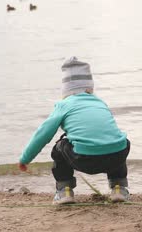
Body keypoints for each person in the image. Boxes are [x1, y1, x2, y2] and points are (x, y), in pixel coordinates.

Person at [18, 56, 131, 205]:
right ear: (90, 88)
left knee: (60, 146)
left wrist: (25, 158)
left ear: (65, 90)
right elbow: (106, 130)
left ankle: (64, 191)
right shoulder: (100, 102)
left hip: (83, 159)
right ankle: (119, 188)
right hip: (115, 157)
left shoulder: (64, 105)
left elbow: (43, 134)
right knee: (119, 142)